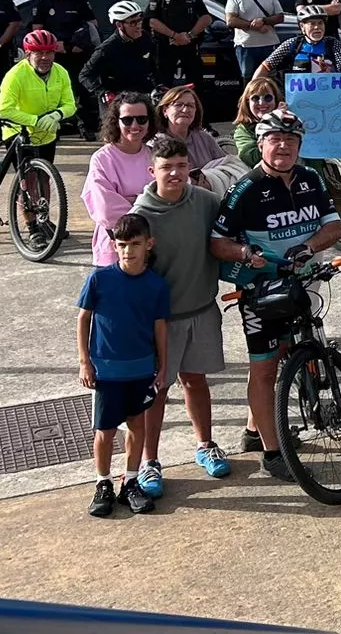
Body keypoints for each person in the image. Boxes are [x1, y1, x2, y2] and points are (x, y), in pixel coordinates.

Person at [208, 109, 341, 479]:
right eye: (274, 139)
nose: (282, 146)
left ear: (300, 145)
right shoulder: (247, 188)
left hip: (301, 283)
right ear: (262, 144)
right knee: (265, 369)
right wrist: (244, 254)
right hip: (261, 290)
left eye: (290, 140)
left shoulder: (311, 178)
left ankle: (255, 431)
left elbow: (332, 226)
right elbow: (217, 242)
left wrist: (309, 247)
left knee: (287, 351)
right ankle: (271, 453)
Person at [128, 134, 233, 482]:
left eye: (182, 166)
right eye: (166, 167)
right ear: (151, 170)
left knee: (196, 382)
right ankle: (149, 462)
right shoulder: (140, 216)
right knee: (157, 390)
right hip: (161, 322)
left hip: (202, 310)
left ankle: (205, 445)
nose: (175, 174)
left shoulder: (206, 201)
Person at [77, 213, 169, 517]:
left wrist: (163, 365)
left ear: (149, 245)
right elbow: (84, 318)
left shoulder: (156, 285)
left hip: (141, 369)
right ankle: (103, 483)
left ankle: (130, 481)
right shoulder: (99, 279)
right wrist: (84, 362)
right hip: (106, 371)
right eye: (122, 245)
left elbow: (160, 327)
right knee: (104, 430)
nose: (128, 251)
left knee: (136, 426)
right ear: (114, 246)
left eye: (135, 244)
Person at [84, 92, 158, 266]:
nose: (135, 125)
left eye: (141, 119)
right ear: (116, 122)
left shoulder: (156, 155)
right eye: (127, 120)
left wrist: (132, 202)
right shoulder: (101, 159)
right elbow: (106, 210)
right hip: (116, 249)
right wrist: (153, 209)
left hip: (152, 249)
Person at [31, 0, 102, 138]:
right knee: (57, 92)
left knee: (82, 92)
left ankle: (86, 127)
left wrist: (78, 44)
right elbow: (36, 31)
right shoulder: (43, 3)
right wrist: (56, 46)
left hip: (78, 54)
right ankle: (53, 127)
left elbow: (92, 26)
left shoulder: (78, 0)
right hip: (53, 56)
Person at [0, 30, 75, 175]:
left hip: (47, 134)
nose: (45, 57)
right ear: (28, 54)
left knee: (46, 177)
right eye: (38, 53)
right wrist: (36, 120)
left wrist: (57, 114)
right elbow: (4, 111)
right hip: (19, 133)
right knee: (29, 181)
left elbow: (70, 104)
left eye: (49, 52)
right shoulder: (15, 75)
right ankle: (21, 196)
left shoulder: (61, 72)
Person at [146, 0, 213, 90]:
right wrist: (175, 36)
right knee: (163, 86)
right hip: (165, 48)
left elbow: (206, 18)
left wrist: (190, 35)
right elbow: (151, 21)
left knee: (195, 85)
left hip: (189, 46)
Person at [80, 0, 155, 111]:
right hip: (116, 103)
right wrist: (103, 92)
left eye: (140, 20)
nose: (139, 26)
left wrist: (159, 85)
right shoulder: (106, 49)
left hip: (141, 99)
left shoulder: (146, 38)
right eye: (133, 22)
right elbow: (85, 75)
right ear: (119, 25)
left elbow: (154, 66)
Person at [259, 5, 341, 81]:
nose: (317, 27)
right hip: (297, 99)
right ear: (302, 27)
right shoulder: (292, 44)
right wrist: (252, 90)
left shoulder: (333, 44)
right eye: (312, 24)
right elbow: (266, 65)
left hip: (329, 96)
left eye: (320, 23)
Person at [223, 0, 285, 81]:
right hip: (246, 47)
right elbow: (230, 20)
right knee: (249, 79)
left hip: (269, 45)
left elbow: (280, 17)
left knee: (270, 80)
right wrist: (253, 26)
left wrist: (263, 21)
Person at [155, 83, 228, 177]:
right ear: (165, 110)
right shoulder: (155, 143)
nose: (185, 110)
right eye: (178, 105)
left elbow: (227, 166)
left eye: (190, 106)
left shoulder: (205, 139)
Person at [231, 76, 285, 165]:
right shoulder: (243, 130)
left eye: (267, 98)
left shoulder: (289, 121)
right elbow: (250, 158)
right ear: (248, 102)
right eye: (255, 98)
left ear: (276, 99)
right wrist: (273, 121)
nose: (261, 103)